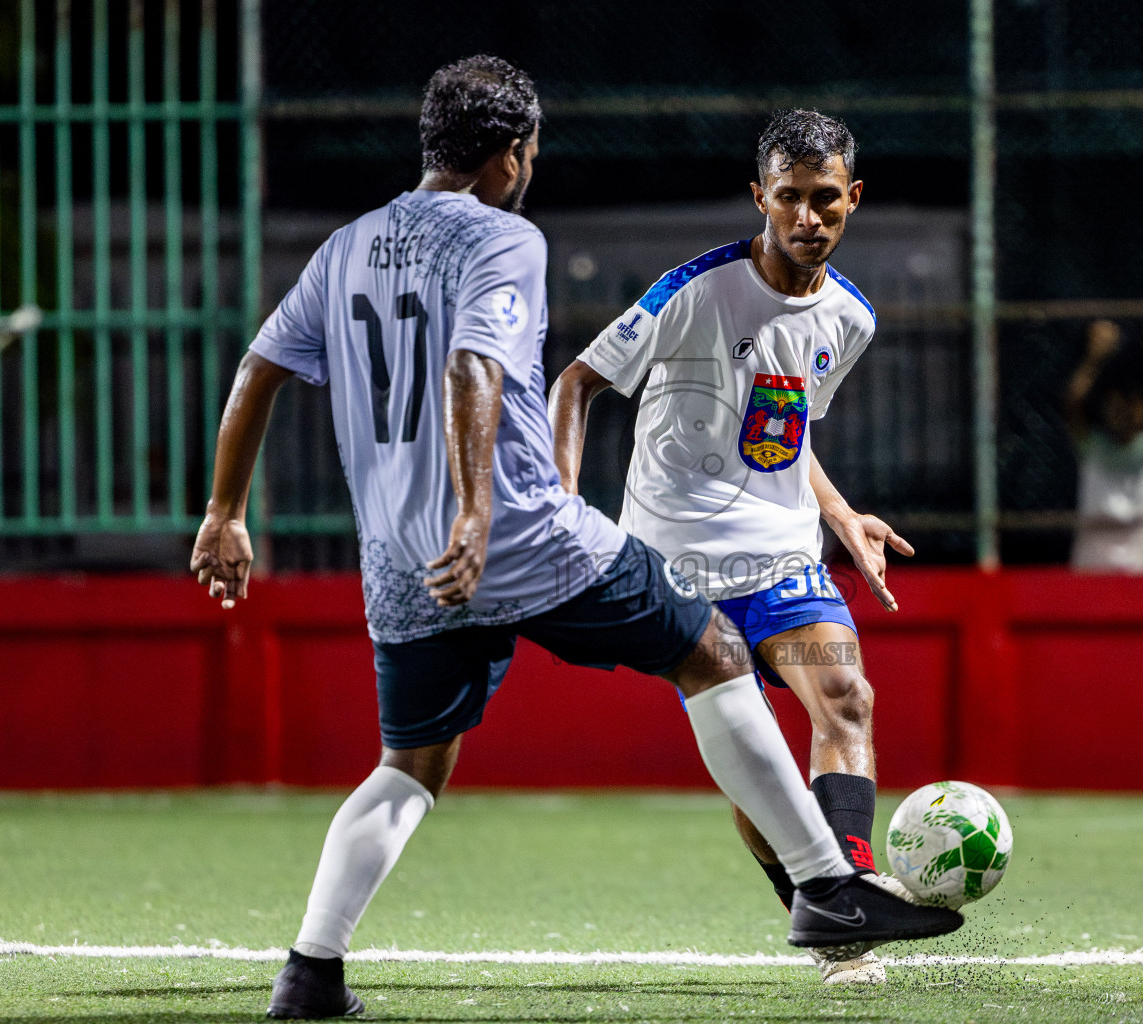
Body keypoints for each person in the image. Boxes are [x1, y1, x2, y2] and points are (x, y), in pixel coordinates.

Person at [189, 59, 961, 1020]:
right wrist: (479, 510)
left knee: (410, 765)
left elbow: (258, 369)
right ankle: (824, 890)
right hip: (515, 531)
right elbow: (477, 365)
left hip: (398, 561)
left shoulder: (345, 246)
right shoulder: (505, 236)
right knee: (715, 653)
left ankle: (311, 970)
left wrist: (224, 512)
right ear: (513, 155)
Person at [549, 110, 913, 986]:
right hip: (679, 573)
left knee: (846, 693)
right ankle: (832, 911)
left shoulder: (851, 320)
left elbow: (782, 428)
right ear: (760, 197)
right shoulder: (694, 292)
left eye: (825, 199)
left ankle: (850, 884)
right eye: (788, 198)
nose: (806, 219)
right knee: (763, 782)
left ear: (852, 199)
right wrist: (562, 511)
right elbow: (577, 383)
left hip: (784, 559)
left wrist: (837, 512)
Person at [1062, 318, 1143, 573]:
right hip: (1092, 574)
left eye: (1132, 404)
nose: (1123, 412)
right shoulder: (1093, 447)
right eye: (1114, 404)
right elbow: (1072, 406)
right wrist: (1092, 360)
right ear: (1103, 407)